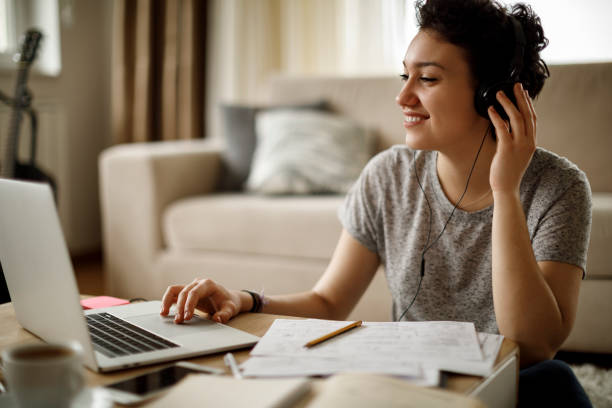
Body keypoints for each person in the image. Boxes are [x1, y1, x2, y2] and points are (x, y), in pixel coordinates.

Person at [160, 0, 592, 406]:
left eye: (427, 78)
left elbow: (534, 346)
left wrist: (506, 191)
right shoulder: (388, 175)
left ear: (492, 94)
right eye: (404, 76)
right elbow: (328, 302)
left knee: (556, 383)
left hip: (508, 387)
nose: (403, 98)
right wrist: (246, 299)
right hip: (413, 385)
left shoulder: (560, 188)